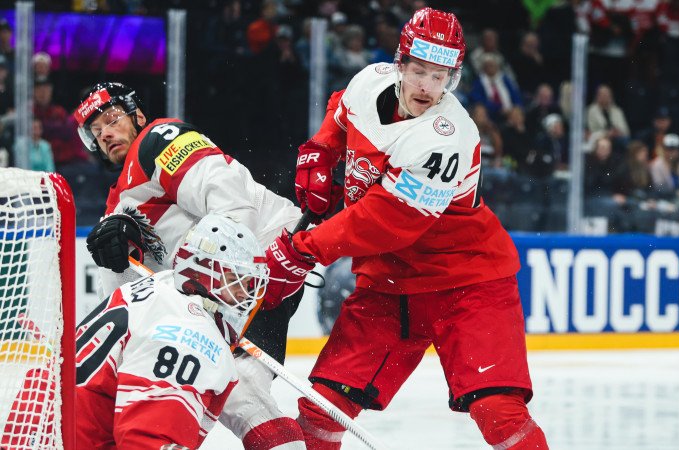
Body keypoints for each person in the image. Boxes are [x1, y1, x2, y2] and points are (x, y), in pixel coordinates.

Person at [263, 7, 549, 449]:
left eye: (440, 76)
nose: (427, 87)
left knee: (499, 413)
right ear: (400, 63)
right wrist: (321, 150)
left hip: (468, 283)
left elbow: (386, 220)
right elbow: (342, 111)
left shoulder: (448, 137)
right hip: (390, 283)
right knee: (323, 407)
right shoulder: (369, 80)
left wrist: (304, 248)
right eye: (419, 71)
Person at [73, 82, 306, 449]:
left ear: (137, 115)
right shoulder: (117, 205)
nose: (105, 133)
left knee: (241, 388)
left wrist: (223, 279)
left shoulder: (158, 139)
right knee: (239, 392)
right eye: (96, 130)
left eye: (112, 118)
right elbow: (129, 301)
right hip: (218, 294)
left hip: (263, 263)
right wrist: (117, 256)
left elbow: (233, 204)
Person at [75, 214, 268, 449]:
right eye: (234, 280)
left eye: (248, 284)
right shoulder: (189, 332)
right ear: (201, 271)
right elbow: (145, 440)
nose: (243, 295)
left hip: (47, 425)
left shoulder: (161, 287)